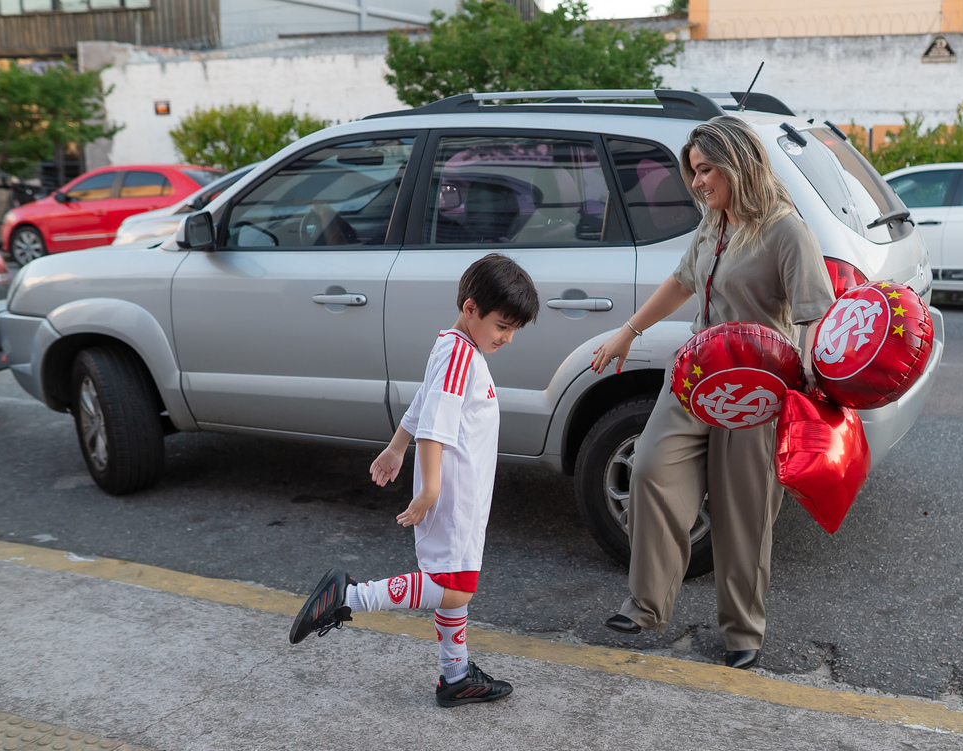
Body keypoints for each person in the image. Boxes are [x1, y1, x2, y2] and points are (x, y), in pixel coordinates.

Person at [590, 116, 836, 670]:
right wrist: (628, 332)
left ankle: (743, 631)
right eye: (694, 172)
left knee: (743, 510)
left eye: (706, 170)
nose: (698, 182)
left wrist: (815, 387)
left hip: (758, 390)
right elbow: (682, 281)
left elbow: (816, 314)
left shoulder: (786, 230)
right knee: (652, 465)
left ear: (738, 163)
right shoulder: (712, 223)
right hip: (697, 376)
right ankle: (648, 604)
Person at [289, 253, 539, 707]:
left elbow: (424, 403)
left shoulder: (454, 347)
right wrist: (429, 489)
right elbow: (436, 425)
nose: (508, 337)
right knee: (453, 584)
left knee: (454, 585)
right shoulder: (461, 355)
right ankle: (346, 597)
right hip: (453, 493)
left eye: (514, 329)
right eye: (502, 325)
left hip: (459, 491)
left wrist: (396, 446)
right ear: (470, 308)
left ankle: (456, 674)